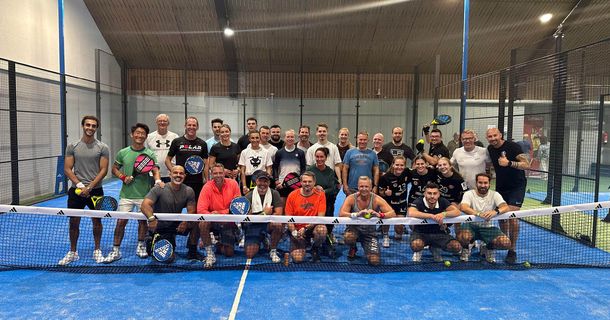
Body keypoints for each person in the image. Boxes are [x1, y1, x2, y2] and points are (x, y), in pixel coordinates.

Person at [105, 123, 163, 263]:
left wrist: (157, 180)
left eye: (143, 133)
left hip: (144, 195)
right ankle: (116, 250)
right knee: (121, 222)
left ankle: (141, 246)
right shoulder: (123, 152)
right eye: (137, 133)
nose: (140, 135)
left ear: (146, 136)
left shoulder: (149, 154)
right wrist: (123, 177)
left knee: (142, 222)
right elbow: (114, 169)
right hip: (126, 195)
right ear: (132, 135)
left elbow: (155, 170)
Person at [58, 115, 110, 265]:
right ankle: (73, 252)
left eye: (93, 126)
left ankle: (97, 250)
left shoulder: (103, 147)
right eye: (88, 125)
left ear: (96, 128)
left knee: (97, 222)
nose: (90, 128)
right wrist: (80, 186)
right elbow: (67, 169)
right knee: (74, 222)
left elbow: (103, 170)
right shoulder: (72, 146)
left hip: (96, 190)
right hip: (76, 191)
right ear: (83, 126)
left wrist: (90, 187)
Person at [486, 127, 530, 264]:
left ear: (500, 135)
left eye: (495, 135)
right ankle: (504, 241)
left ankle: (512, 250)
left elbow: (526, 164)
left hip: (516, 186)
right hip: (501, 186)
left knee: (511, 216)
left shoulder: (513, 146)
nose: (493, 138)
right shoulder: (490, 149)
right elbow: (491, 166)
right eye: (490, 136)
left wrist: (509, 163)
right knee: (501, 217)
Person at [141, 165, 202, 262]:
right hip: (161, 226)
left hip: (176, 224)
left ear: (185, 176)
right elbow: (144, 205)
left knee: (197, 223)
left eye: (181, 173)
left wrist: (185, 221)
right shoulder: (159, 189)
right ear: (170, 175)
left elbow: (192, 210)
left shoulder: (188, 191)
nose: (178, 175)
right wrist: (151, 218)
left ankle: (192, 251)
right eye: (175, 173)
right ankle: (152, 239)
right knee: (168, 258)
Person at [340, 176, 395, 265]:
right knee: (348, 237)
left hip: (370, 234)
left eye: (366, 187)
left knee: (374, 261)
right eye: (361, 186)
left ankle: (368, 250)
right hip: (354, 230)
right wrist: (356, 214)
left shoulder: (376, 199)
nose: (364, 189)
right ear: (358, 187)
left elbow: (392, 213)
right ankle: (353, 247)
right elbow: (342, 213)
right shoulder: (351, 198)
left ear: (371, 187)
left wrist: (379, 215)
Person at [457, 173, 511, 262]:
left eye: (485, 183)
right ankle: (466, 248)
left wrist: (495, 211)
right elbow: (463, 207)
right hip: (470, 226)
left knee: (505, 243)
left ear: (489, 184)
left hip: (487, 227)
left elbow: (506, 207)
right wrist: (478, 214)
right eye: (480, 183)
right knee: (463, 237)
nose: (483, 185)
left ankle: (488, 247)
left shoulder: (495, 194)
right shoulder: (469, 194)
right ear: (476, 183)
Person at [197, 163, 242, 268]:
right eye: (215, 173)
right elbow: (201, 210)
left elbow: (238, 207)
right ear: (211, 174)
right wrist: (214, 217)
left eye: (220, 173)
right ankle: (209, 253)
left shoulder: (233, 184)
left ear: (224, 173)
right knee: (203, 223)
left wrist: (220, 214)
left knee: (229, 253)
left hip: (228, 221)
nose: (218, 175)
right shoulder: (206, 187)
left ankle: (217, 241)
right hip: (212, 221)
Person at [408, 182, 461, 262]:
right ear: (425, 194)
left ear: (438, 194)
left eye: (435, 193)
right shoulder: (418, 201)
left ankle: (435, 248)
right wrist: (431, 216)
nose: (432, 196)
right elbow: (411, 212)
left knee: (456, 247)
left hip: (439, 234)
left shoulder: (442, 201)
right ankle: (419, 251)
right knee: (416, 245)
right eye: (429, 193)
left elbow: (457, 212)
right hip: (421, 234)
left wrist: (444, 214)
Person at [285, 171, 327, 263]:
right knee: (297, 259)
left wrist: (306, 228)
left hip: (312, 228)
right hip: (297, 230)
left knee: (322, 230)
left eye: (309, 181)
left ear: (314, 182)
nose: (307, 184)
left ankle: (314, 248)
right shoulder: (292, 195)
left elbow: (320, 217)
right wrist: (294, 232)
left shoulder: (320, 194)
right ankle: (302, 243)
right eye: (304, 182)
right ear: (300, 182)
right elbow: (289, 219)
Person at [243, 170, 284, 263]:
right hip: (253, 226)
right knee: (250, 254)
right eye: (260, 181)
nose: (262, 184)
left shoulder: (275, 194)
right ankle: (262, 238)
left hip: (268, 225)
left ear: (269, 182)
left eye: (265, 181)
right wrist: (264, 214)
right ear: (256, 182)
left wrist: (260, 216)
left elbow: (278, 214)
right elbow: (248, 219)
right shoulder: (248, 196)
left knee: (277, 225)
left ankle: (273, 250)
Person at [308, 147, 340, 258]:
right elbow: (306, 185)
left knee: (328, 221)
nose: (319, 159)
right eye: (317, 156)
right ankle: (313, 240)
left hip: (328, 201)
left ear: (326, 158)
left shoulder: (330, 171)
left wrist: (322, 192)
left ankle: (327, 242)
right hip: (312, 202)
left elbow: (333, 188)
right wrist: (315, 190)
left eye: (322, 157)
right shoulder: (310, 170)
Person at [165, 116, 209, 199]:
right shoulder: (177, 141)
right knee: (178, 206)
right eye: (189, 125)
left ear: (197, 127)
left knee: (194, 206)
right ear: (185, 126)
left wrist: (206, 180)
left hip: (197, 181)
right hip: (180, 180)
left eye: (194, 125)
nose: (191, 127)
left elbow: (206, 164)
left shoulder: (202, 143)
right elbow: (167, 160)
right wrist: (174, 173)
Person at [378, 156, 411, 247]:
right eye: (397, 165)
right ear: (393, 165)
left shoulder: (407, 173)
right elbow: (380, 192)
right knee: (386, 221)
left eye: (401, 165)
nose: (399, 167)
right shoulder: (385, 177)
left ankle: (398, 234)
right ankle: (385, 236)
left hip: (401, 203)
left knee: (399, 228)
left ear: (404, 166)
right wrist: (385, 193)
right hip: (388, 204)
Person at [273, 129, 306, 201]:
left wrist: (301, 180)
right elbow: (275, 168)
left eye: (292, 137)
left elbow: (303, 168)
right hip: (282, 184)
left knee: (295, 206)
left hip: (296, 184)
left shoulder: (301, 152)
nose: (290, 139)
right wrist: (276, 180)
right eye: (288, 137)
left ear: (295, 138)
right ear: (284, 138)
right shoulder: (279, 152)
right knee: (283, 207)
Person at [342, 131, 379, 195]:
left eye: (365, 140)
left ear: (368, 140)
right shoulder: (349, 152)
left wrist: (375, 186)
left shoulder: (373, 154)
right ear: (357, 140)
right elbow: (345, 169)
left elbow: (376, 170)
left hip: (367, 188)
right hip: (352, 188)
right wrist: (345, 185)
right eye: (360, 139)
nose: (362, 141)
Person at [146, 114, 179, 183]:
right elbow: (146, 155)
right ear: (156, 122)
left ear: (168, 123)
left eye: (165, 121)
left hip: (170, 173)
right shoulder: (149, 137)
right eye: (160, 121)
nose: (162, 123)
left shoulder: (175, 137)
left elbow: (178, 155)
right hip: (153, 174)